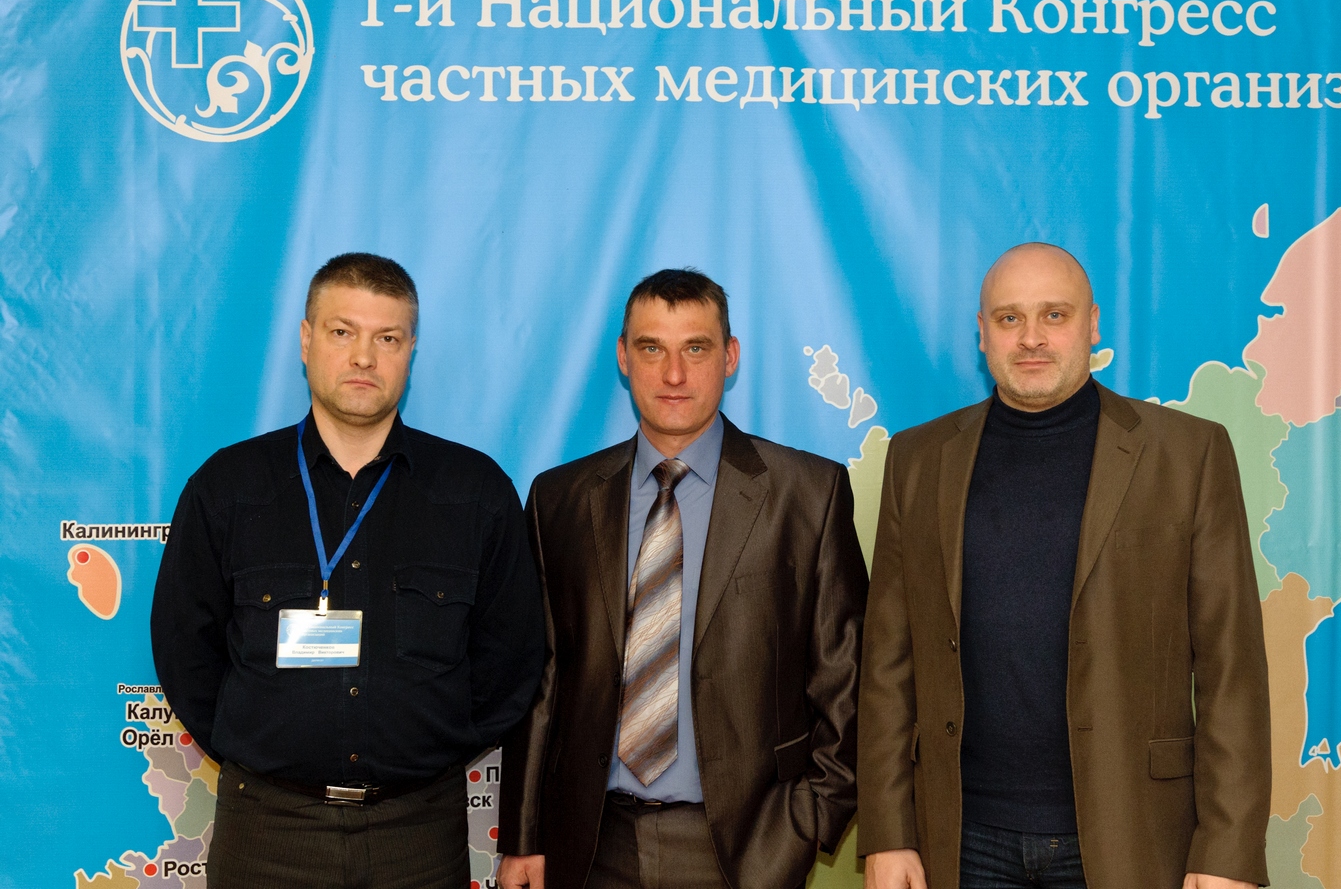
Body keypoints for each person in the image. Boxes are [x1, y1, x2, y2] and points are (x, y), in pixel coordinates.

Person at [857, 243, 1271, 889]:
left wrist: (1227, 851)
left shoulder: (1188, 455)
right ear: (982, 333)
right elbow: (887, 663)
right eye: (1009, 318)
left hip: (1132, 833)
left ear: (1093, 323)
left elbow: (1231, 672)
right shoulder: (918, 460)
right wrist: (888, 831)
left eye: (1054, 314)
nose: (1031, 337)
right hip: (961, 839)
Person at [151, 252, 544, 889]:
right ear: (306, 341)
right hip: (267, 831)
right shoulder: (228, 488)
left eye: (387, 338)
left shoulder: (476, 493)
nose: (364, 357)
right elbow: (184, 648)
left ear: (410, 351)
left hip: (418, 836)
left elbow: (511, 658)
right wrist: (258, 745)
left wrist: (435, 747)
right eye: (343, 332)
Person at [496, 268, 869, 889]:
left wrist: (803, 828)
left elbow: (845, 680)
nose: (674, 374)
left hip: (747, 852)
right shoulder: (559, 499)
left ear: (730, 356)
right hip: (591, 848)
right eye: (652, 349)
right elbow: (542, 680)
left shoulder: (807, 493)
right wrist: (524, 837)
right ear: (623, 357)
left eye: (696, 348)